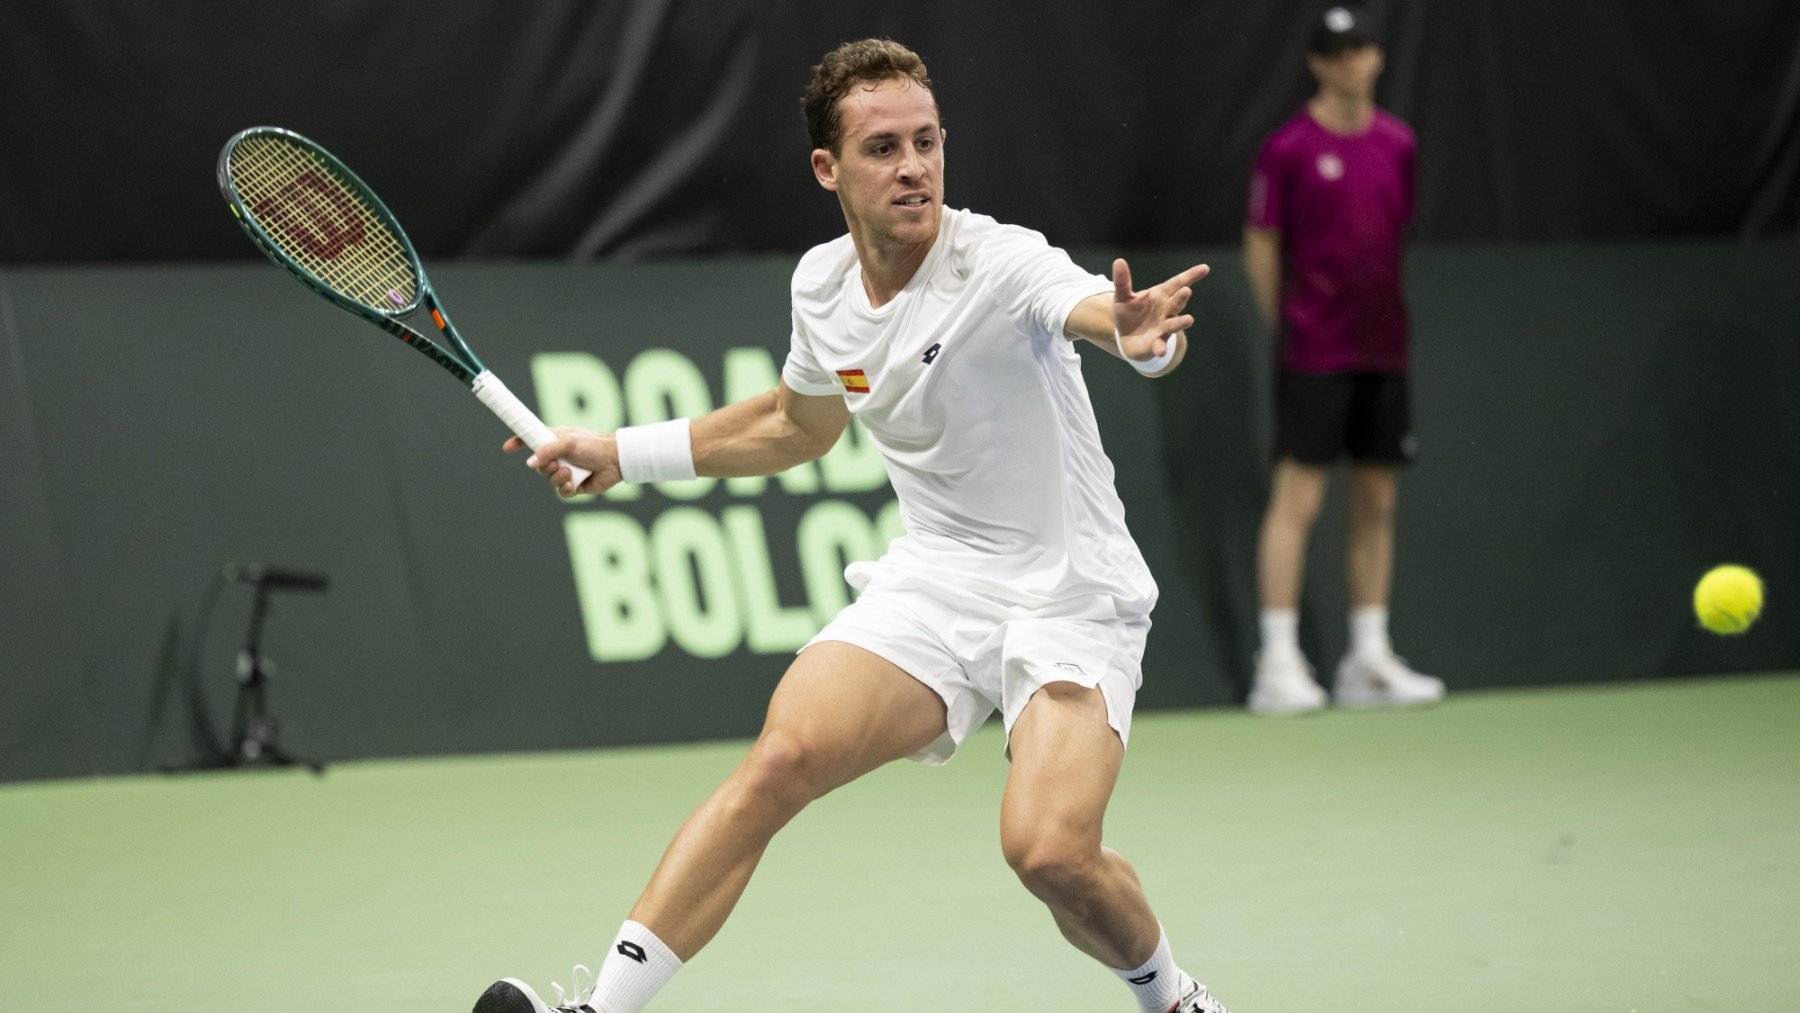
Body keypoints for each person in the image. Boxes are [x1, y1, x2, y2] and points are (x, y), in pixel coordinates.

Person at [473, 38, 1230, 1013]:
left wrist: (1137, 338)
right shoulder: (822, 288)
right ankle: (599, 1009)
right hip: (939, 581)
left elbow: (1085, 305)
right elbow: (796, 425)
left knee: (1050, 852)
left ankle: (1172, 995)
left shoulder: (998, 261)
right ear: (829, 168)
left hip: (1069, 592)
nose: (913, 166)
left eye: (926, 142)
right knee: (780, 756)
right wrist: (625, 449)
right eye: (883, 148)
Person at [1242, 5, 1447, 716]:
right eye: (1338, 52)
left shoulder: (1399, 143)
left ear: (1377, 59)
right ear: (1319, 64)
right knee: (1298, 498)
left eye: (1362, 48)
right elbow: (1261, 242)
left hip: (1383, 349)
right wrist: (1287, 323)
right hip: (1313, 348)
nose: (1352, 61)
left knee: (1377, 500)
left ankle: (1368, 657)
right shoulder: (1289, 148)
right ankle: (1278, 661)